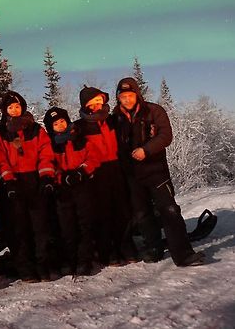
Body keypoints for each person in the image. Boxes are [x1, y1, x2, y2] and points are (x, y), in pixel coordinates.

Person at [113, 77, 205, 267]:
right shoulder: (115, 118)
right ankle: (153, 249)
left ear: (137, 95)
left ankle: (183, 254)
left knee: (169, 210)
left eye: (130, 95)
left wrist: (146, 150)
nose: (127, 100)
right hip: (132, 175)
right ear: (118, 98)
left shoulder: (154, 111)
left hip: (156, 171)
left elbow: (166, 136)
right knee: (142, 214)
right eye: (123, 97)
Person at [0, 91, 57, 282]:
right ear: (5, 111)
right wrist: (8, 181)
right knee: (18, 229)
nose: (14, 110)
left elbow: (45, 152)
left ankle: (42, 265)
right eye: (10, 107)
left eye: (17, 106)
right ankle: (25, 268)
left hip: (34, 181)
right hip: (13, 185)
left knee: (40, 227)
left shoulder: (36, 130)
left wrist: (46, 176)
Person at [76, 86, 138, 266]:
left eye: (100, 101)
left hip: (116, 169)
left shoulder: (112, 120)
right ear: (85, 105)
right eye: (93, 102)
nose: (98, 105)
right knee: (103, 213)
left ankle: (125, 246)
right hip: (96, 173)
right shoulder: (80, 127)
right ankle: (107, 251)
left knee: (123, 211)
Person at [43, 107, 102, 276]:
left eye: (62, 121)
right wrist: (60, 178)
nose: (61, 125)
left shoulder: (79, 138)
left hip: (82, 186)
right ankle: (70, 260)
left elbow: (93, 157)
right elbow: (47, 164)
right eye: (56, 123)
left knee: (85, 224)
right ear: (50, 127)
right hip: (63, 191)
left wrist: (82, 171)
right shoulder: (51, 144)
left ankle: (85, 260)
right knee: (67, 227)